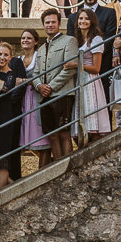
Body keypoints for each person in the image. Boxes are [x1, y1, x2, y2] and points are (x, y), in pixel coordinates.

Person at [31, 9, 79, 161]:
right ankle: (58, 167)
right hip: (44, 96)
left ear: (59, 23)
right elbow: (35, 73)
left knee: (64, 133)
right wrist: (39, 86)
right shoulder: (40, 49)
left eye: (53, 22)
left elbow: (70, 70)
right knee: (51, 134)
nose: (50, 25)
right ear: (43, 25)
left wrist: (50, 86)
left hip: (62, 94)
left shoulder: (69, 41)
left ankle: (68, 167)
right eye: (47, 22)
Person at [0, 42, 27, 187]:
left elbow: (5, 87)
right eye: (0, 54)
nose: (2, 57)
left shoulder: (11, 74)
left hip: (5, 120)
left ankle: (1, 196)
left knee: (2, 161)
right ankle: (14, 186)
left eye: (5, 55)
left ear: (10, 57)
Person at [72, 10, 111, 145]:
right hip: (78, 80)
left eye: (86, 19)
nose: (83, 21)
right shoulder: (76, 40)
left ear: (92, 22)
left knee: (92, 123)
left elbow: (96, 68)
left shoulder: (96, 39)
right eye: (80, 18)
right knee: (78, 127)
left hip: (90, 81)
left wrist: (76, 65)